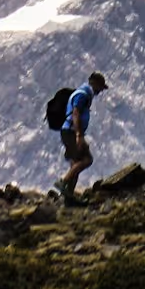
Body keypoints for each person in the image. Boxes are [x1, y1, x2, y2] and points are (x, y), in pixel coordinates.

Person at [60, 71, 108, 202]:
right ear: (94, 83)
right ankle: (63, 182)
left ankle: (68, 197)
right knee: (87, 159)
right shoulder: (84, 93)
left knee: (75, 163)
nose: (100, 91)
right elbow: (75, 113)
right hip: (71, 132)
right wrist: (79, 135)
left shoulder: (85, 93)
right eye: (100, 87)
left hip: (68, 131)